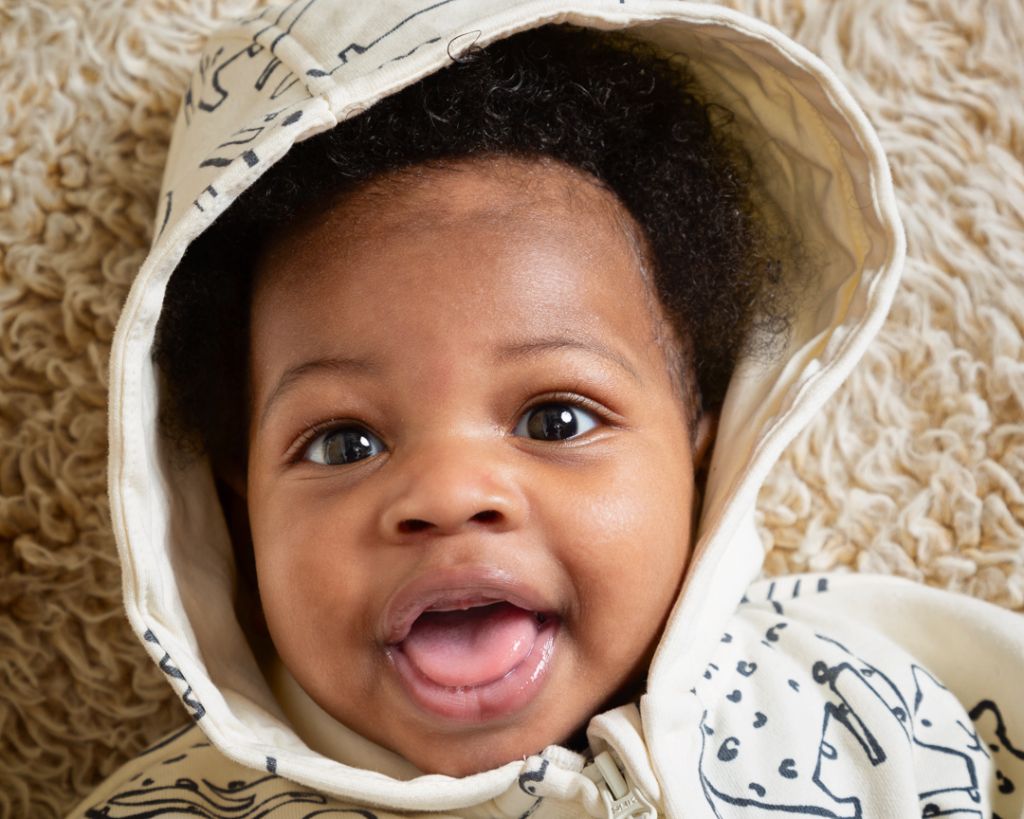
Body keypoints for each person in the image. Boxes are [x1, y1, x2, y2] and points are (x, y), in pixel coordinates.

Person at [71, 1, 1024, 817]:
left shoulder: (863, 694)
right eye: (343, 441)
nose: (447, 494)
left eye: (555, 420)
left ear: (700, 431)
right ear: (237, 499)